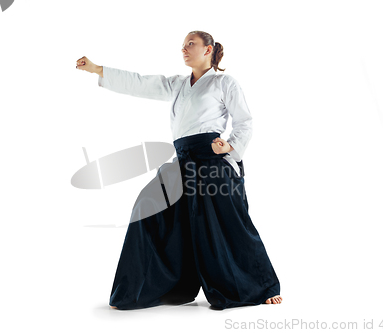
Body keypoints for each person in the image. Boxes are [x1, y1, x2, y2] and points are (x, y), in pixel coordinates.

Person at [76, 30, 282, 310]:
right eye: (183, 45)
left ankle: (261, 286)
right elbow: (141, 83)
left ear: (208, 50)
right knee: (147, 208)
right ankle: (151, 288)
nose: (184, 49)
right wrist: (98, 69)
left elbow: (245, 121)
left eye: (191, 44)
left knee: (228, 224)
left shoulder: (224, 82)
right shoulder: (177, 84)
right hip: (183, 162)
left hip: (211, 162)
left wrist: (229, 146)